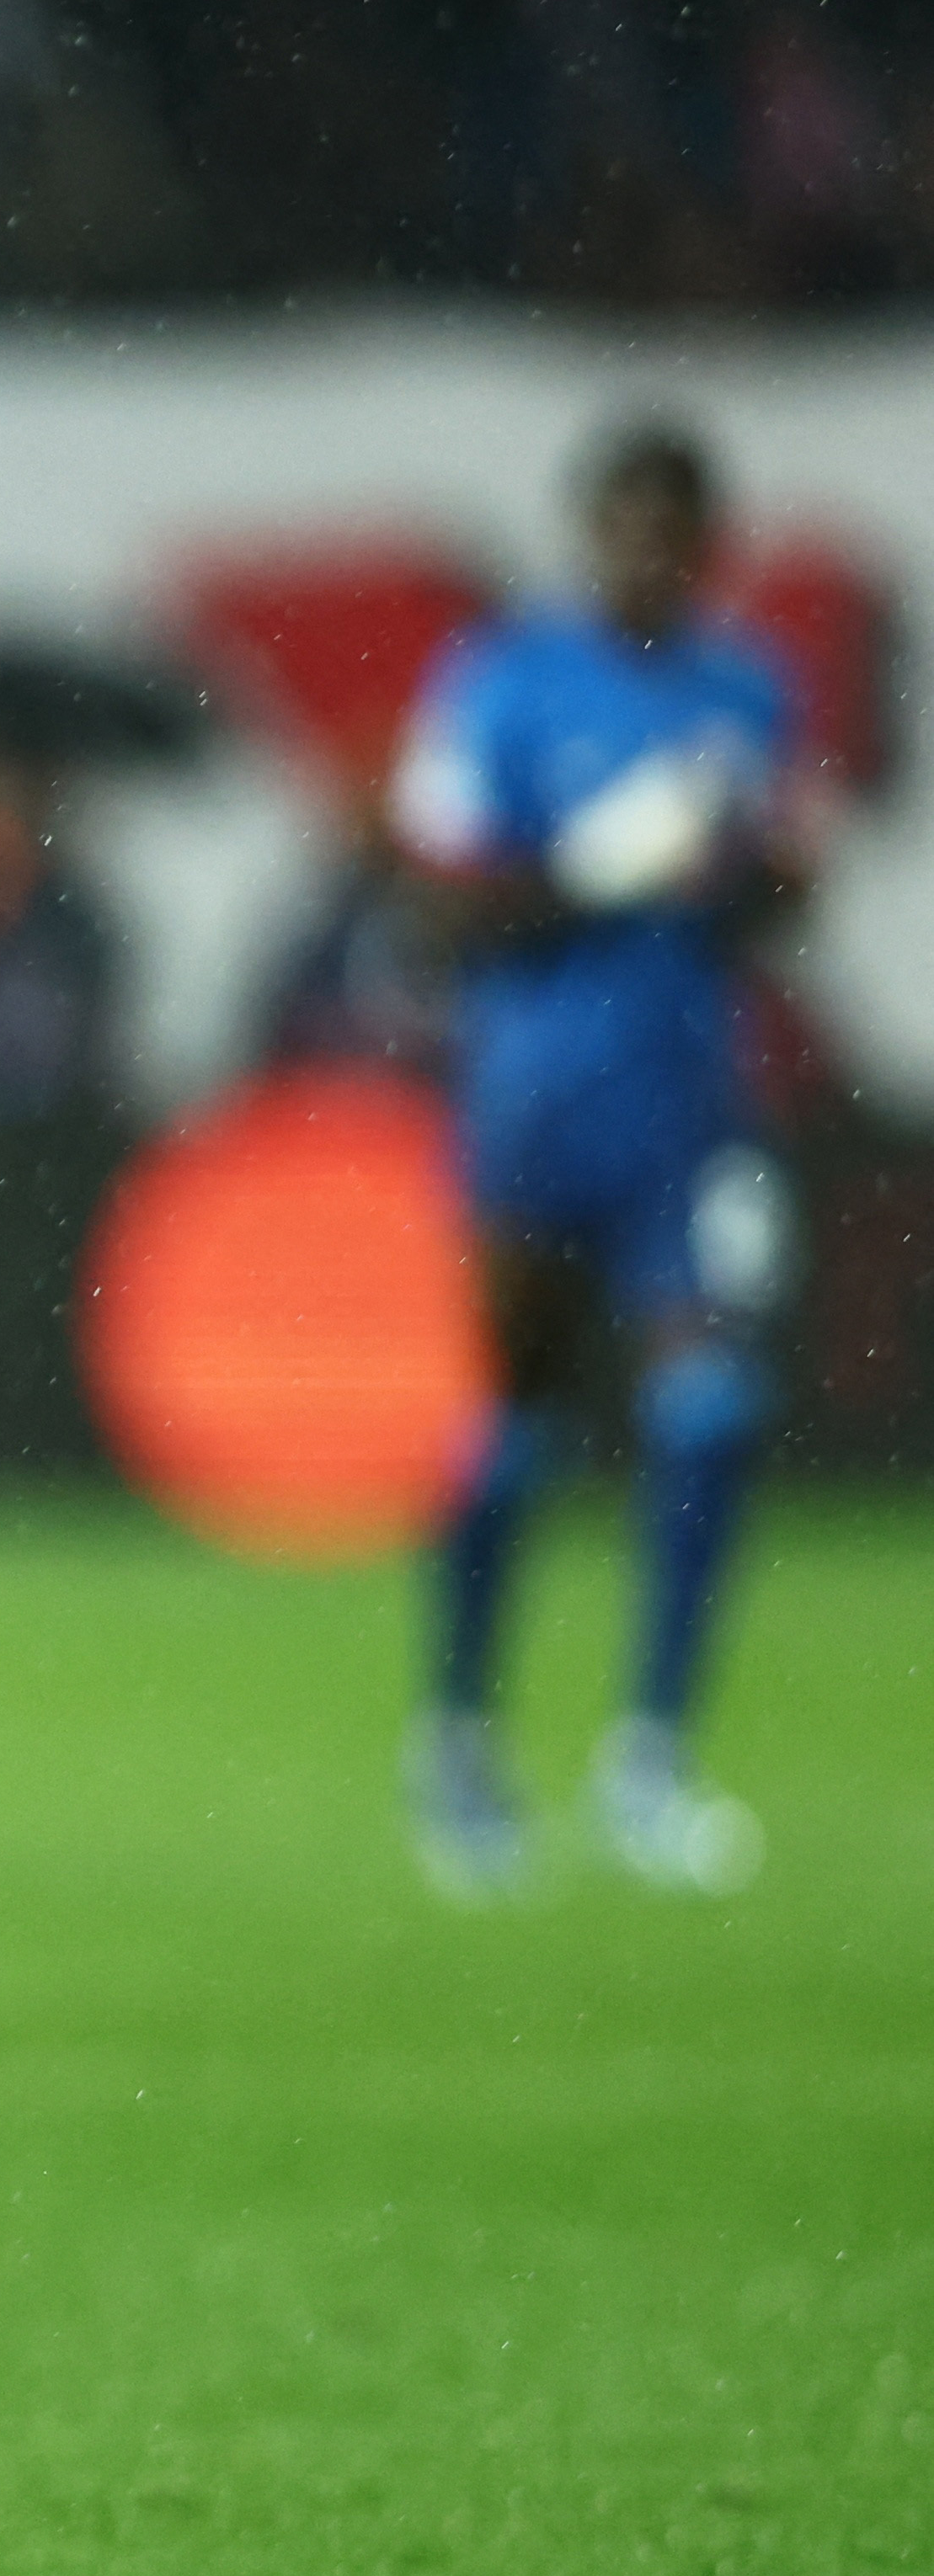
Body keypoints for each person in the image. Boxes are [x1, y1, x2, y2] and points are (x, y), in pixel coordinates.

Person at [389, 418, 809, 1901]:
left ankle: (652, 1761)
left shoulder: (751, 690)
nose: (650, 552)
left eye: (675, 528)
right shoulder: (503, 685)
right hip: (540, 1104)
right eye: (626, 524)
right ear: (588, 534)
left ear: (708, 546)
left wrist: (763, 876)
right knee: (519, 1419)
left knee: (710, 1409)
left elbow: (772, 912)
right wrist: (603, 863)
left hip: (695, 1105)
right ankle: (458, 1743)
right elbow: (442, 914)